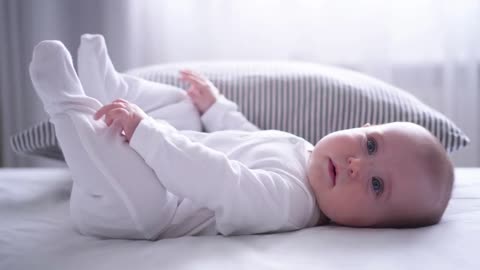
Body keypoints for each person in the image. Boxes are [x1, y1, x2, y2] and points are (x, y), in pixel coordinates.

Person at [29, 34, 454, 240]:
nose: (358, 165)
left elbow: (222, 179)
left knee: (140, 196)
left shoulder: (292, 203)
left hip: (138, 214)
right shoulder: (301, 152)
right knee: (184, 109)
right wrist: (213, 106)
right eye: (371, 145)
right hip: (163, 161)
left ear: (371, 228)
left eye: (377, 185)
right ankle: (111, 89)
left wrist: (146, 133)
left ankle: (67, 105)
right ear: (361, 127)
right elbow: (246, 137)